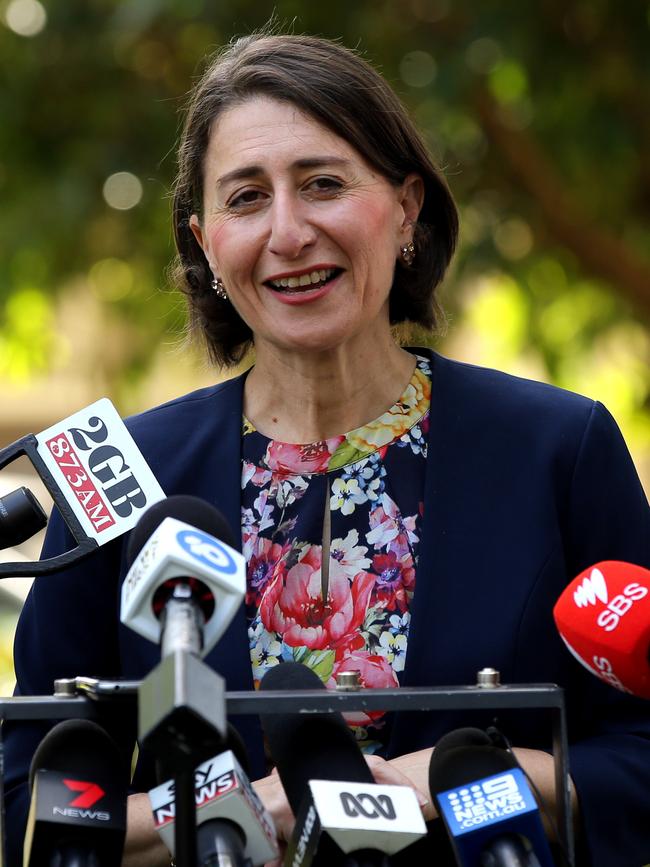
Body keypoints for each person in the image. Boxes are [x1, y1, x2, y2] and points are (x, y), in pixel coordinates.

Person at [4, 32, 650, 867]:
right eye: (245, 199)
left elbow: (639, 756)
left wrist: (471, 780)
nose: (289, 230)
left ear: (406, 207)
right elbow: (28, 804)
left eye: (323, 184)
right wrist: (228, 805)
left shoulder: (560, 447)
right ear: (205, 242)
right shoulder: (119, 477)